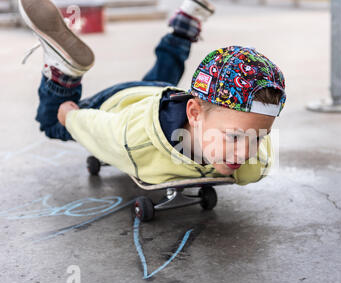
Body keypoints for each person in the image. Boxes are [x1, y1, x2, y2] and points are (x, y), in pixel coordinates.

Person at [19, 0, 287, 186]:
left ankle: (186, 23)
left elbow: (256, 159)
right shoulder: (137, 142)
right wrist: (72, 119)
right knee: (54, 123)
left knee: (161, 78)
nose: (244, 153)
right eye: (234, 137)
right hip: (119, 104)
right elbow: (104, 130)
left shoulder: (243, 148)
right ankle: (62, 73)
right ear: (194, 113)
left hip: (166, 95)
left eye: (258, 137)